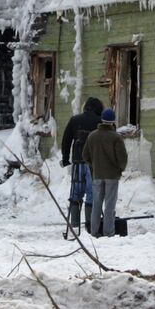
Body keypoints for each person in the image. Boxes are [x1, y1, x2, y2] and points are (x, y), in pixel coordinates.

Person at [59, 97, 103, 237]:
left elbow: (66, 140)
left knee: (75, 193)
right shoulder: (99, 122)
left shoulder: (75, 120)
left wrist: (65, 159)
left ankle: (74, 228)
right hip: (93, 164)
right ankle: (90, 228)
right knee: (92, 193)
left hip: (77, 162)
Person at [81, 108, 127, 237]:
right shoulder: (116, 137)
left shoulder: (92, 136)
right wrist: (119, 169)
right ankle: (108, 232)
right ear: (113, 122)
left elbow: (85, 156)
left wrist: (94, 165)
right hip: (112, 176)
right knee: (109, 206)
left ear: (102, 119)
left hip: (97, 175)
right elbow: (122, 159)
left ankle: (94, 232)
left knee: (96, 205)